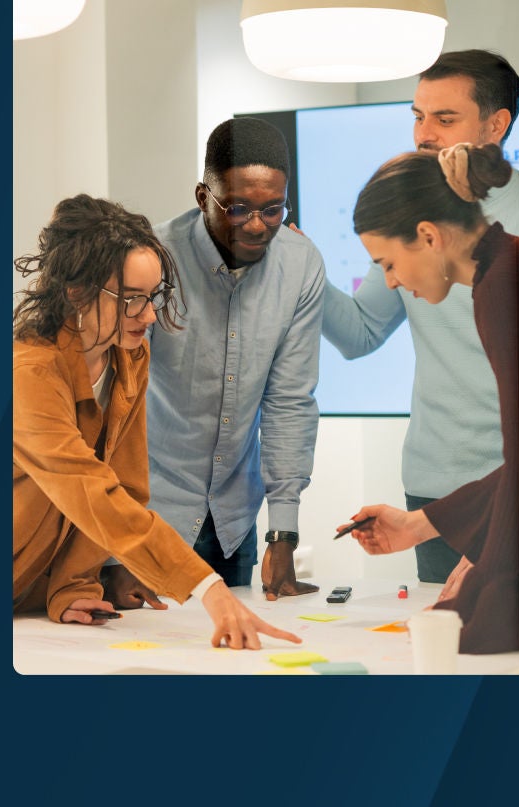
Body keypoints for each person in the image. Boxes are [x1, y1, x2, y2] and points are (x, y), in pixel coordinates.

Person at [13, 193, 300, 650]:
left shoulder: (128, 355)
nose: (148, 315)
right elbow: (88, 489)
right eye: (131, 300)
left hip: (31, 597)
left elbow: (124, 484)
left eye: (154, 297)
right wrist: (207, 588)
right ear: (76, 291)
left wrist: (74, 586)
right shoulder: (27, 374)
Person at [320, 50, 519, 592]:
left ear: (496, 124)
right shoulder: (408, 219)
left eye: (444, 120)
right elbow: (358, 333)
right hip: (436, 483)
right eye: (417, 116)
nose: (425, 135)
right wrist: (293, 260)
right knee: (454, 646)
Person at [339, 143, 519, 654]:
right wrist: (419, 525)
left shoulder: (503, 286)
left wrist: (481, 607)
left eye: (387, 263)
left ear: (428, 236)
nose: (390, 281)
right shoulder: (516, 262)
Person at [136, 117, 325, 602]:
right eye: (238, 208)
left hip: (232, 521)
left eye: (274, 209)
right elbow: (118, 402)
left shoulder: (301, 264)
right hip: (149, 516)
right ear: (204, 197)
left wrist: (282, 533)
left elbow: (288, 401)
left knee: (231, 664)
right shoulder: (153, 259)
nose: (258, 226)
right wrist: (117, 549)